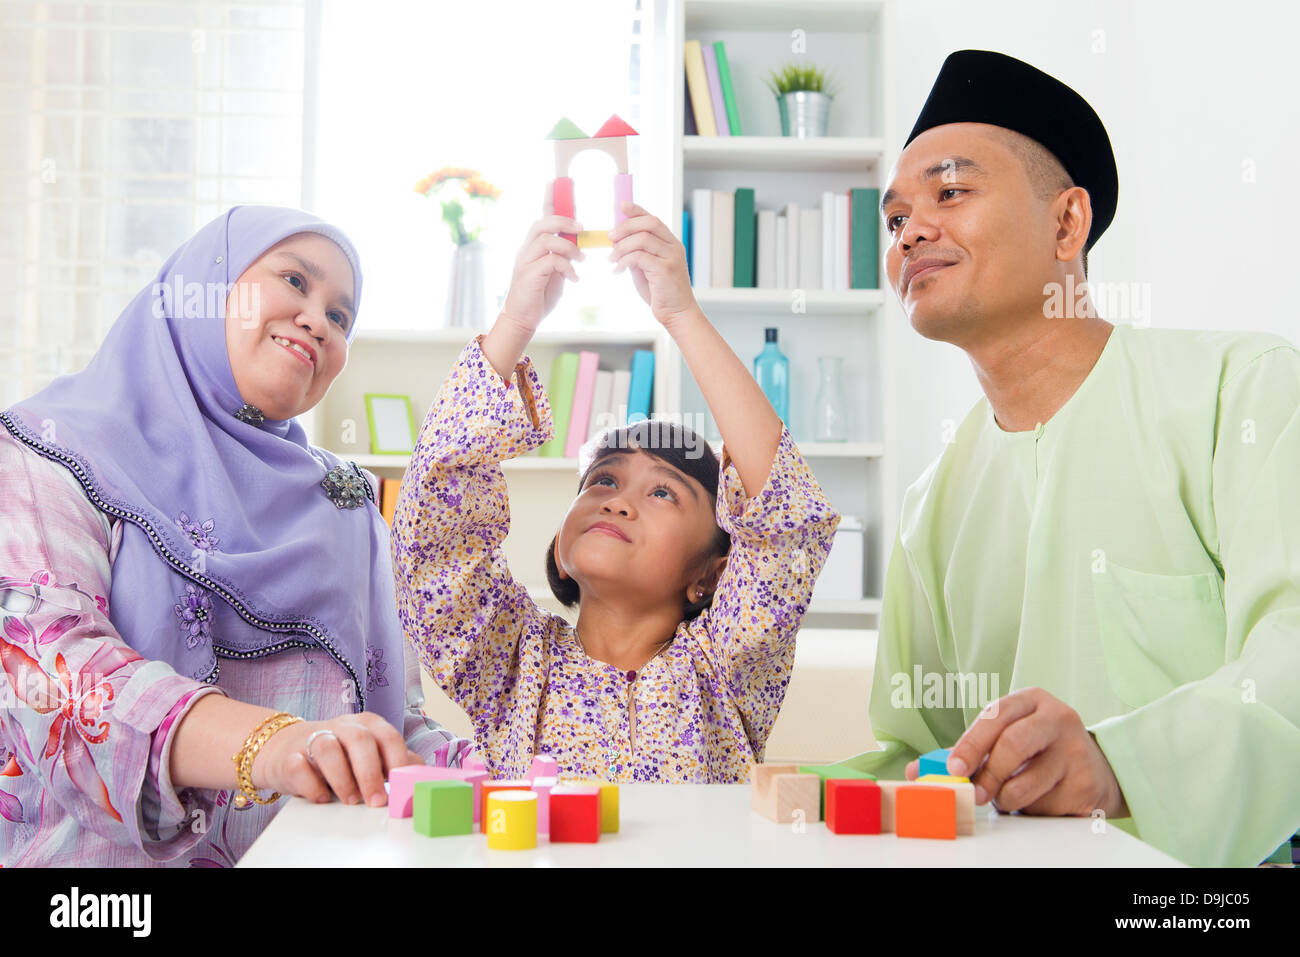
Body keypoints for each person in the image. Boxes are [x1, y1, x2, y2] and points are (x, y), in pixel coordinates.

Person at [837, 49, 1300, 867]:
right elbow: (920, 751)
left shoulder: (1244, 392)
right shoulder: (930, 507)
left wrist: (1118, 765)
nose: (911, 231)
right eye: (895, 216)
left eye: (950, 193)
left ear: (1066, 224)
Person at [0, 206, 470, 867]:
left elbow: (391, 725)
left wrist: (502, 786)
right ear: (207, 286)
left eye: (341, 316)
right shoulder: (46, 453)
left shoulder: (349, 503)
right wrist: (272, 745)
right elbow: (50, 681)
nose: (318, 320)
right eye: (295, 281)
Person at [390, 191, 841, 783]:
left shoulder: (728, 668)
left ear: (711, 572)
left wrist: (681, 315)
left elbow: (786, 523)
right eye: (603, 478)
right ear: (560, 546)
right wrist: (518, 320)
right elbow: (433, 527)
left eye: (664, 493)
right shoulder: (508, 661)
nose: (617, 499)